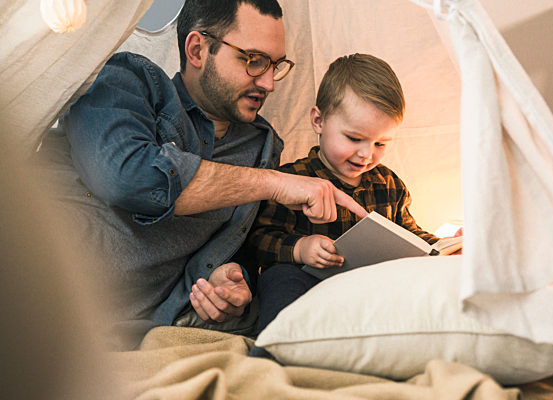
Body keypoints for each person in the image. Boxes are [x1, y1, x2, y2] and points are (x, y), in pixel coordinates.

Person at [35, 0, 367, 350]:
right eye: (253, 61)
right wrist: (276, 183)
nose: (269, 83)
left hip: (140, 333)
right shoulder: (127, 81)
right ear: (197, 49)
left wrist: (229, 281)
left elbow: (237, 244)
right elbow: (126, 177)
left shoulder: (261, 146)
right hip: (36, 299)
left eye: (276, 65)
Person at [246, 53, 440, 335]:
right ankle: (278, 350)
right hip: (311, 288)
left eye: (380, 143)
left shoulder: (388, 184)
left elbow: (410, 235)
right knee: (280, 278)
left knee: (421, 283)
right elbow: (259, 240)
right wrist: (302, 249)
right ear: (318, 121)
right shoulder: (291, 180)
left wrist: (442, 246)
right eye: (353, 138)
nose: (366, 154)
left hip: (370, 291)